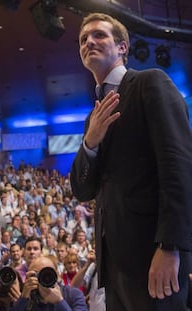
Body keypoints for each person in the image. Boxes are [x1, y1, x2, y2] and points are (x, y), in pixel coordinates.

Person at [70, 12, 192, 310]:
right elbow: (82, 190)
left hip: (154, 254)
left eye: (99, 35)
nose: (89, 42)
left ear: (123, 47)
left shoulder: (150, 83)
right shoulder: (93, 119)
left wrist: (170, 246)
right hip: (113, 266)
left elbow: (178, 166)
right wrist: (91, 142)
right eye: (83, 39)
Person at [10, 256, 87, 311]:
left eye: (47, 273)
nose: (43, 278)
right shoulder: (28, 298)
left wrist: (60, 301)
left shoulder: (73, 294)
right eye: (37, 274)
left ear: (56, 274)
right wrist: (23, 298)